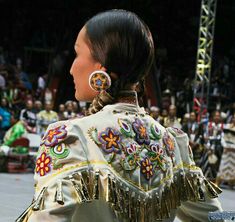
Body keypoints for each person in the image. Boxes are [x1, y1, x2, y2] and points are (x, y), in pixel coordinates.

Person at [17, 10, 223, 222]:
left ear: (100, 67)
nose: (71, 69)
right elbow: (219, 218)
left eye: (78, 54)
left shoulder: (72, 137)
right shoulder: (172, 143)